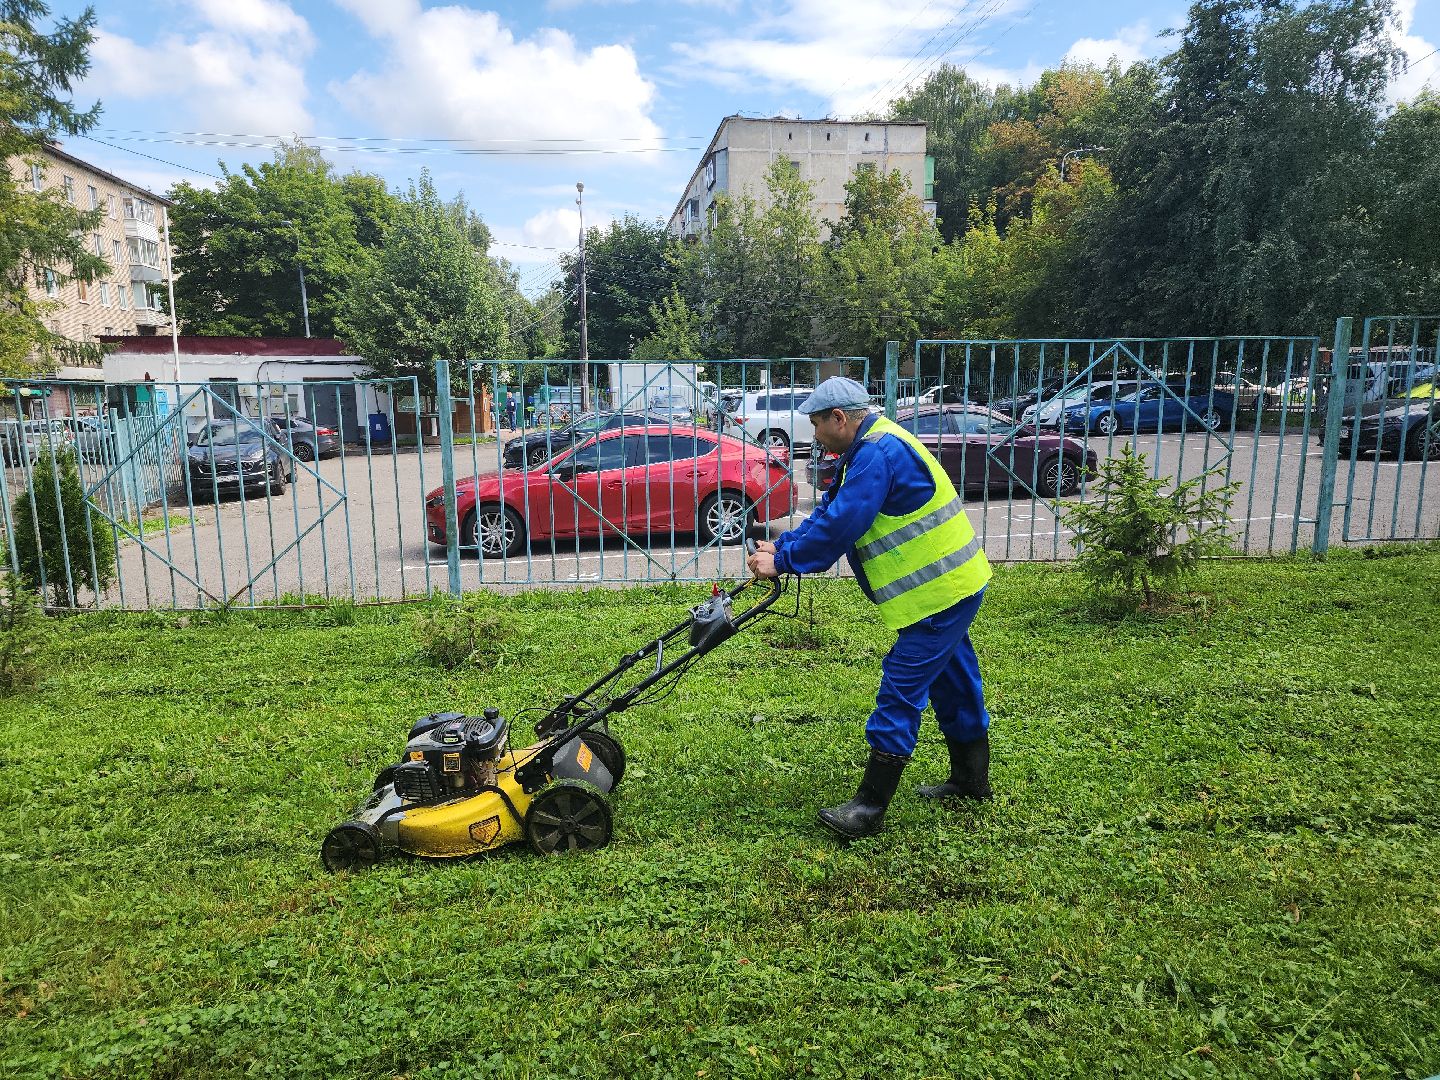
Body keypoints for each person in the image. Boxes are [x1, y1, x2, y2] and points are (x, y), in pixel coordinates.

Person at [746, 376, 993, 840]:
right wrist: (783, 545)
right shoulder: (870, 447)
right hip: (952, 585)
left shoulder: (877, 454)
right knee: (955, 681)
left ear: (840, 418)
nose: (814, 434)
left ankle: (869, 807)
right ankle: (970, 781)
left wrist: (781, 562)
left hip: (939, 593)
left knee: (901, 688)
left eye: (817, 424)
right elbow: (829, 513)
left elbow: (841, 527)